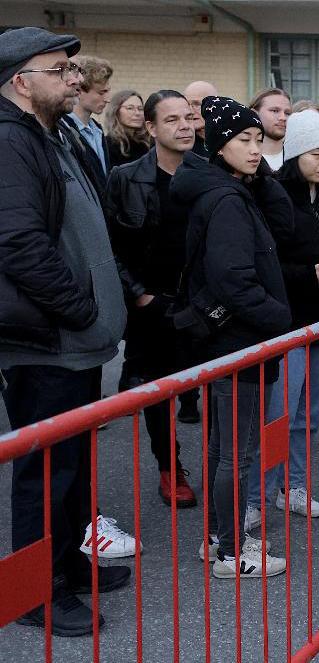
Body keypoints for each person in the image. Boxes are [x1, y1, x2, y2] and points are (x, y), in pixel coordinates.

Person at [0, 27, 130, 636]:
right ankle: (33, 592)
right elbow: (18, 244)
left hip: (69, 342)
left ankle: (66, 566)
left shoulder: (52, 135)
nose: (74, 79)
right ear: (22, 82)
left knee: (71, 466)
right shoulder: (9, 140)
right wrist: (80, 310)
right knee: (45, 474)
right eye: (61, 70)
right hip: (46, 342)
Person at [170, 95, 292, 579]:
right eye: (244, 140)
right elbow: (233, 277)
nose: (255, 148)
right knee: (236, 455)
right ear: (219, 145)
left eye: (259, 139)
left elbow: (279, 226)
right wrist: (278, 317)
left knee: (227, 449)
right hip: (240, 342)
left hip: (233, 342)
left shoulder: (231, 188)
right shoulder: (224, 199)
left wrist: (257, 175)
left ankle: (219, 539)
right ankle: (230, 551)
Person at [243, 109, 319, 528]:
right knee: (278, 415)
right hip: (288, 324)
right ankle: (255, 496)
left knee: (310, 415)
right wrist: (305, 276)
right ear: (294, 154)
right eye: (316, 153)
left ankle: (293, 486)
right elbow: (265, 262)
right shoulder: (272, 196)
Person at [104, 90, 199, 508]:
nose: (185, 126)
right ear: (151, 127)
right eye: (173, 119)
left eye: (189, 117)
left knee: (213, 387)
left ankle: (223, 471)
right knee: (160, 392)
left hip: (201, 301)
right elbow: (111, 244)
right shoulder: (126, 177)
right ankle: (169, 465)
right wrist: (139, 295)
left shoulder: (207, 172)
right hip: (152, 304)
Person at [58, 53, 111, 189]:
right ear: (79, 90)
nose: (107, 98)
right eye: (101, 92)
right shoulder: (61, 129)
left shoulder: (97, 130)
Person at [104, 89, 149, 168]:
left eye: (140, 109)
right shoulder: (107, 145)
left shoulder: (147, 144)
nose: (137, 113)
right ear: (116, 111)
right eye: (130, 108)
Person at [251, 87, 292, 171]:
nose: (283, 117)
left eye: (287, 113)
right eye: (275, 111)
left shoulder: (296, 160)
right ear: (255, 114)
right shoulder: (241, 159)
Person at [183, 80, 217, 158]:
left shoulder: (229, 138)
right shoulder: (180, 142)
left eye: (197, 104)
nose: (190, 111)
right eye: (187, 104)